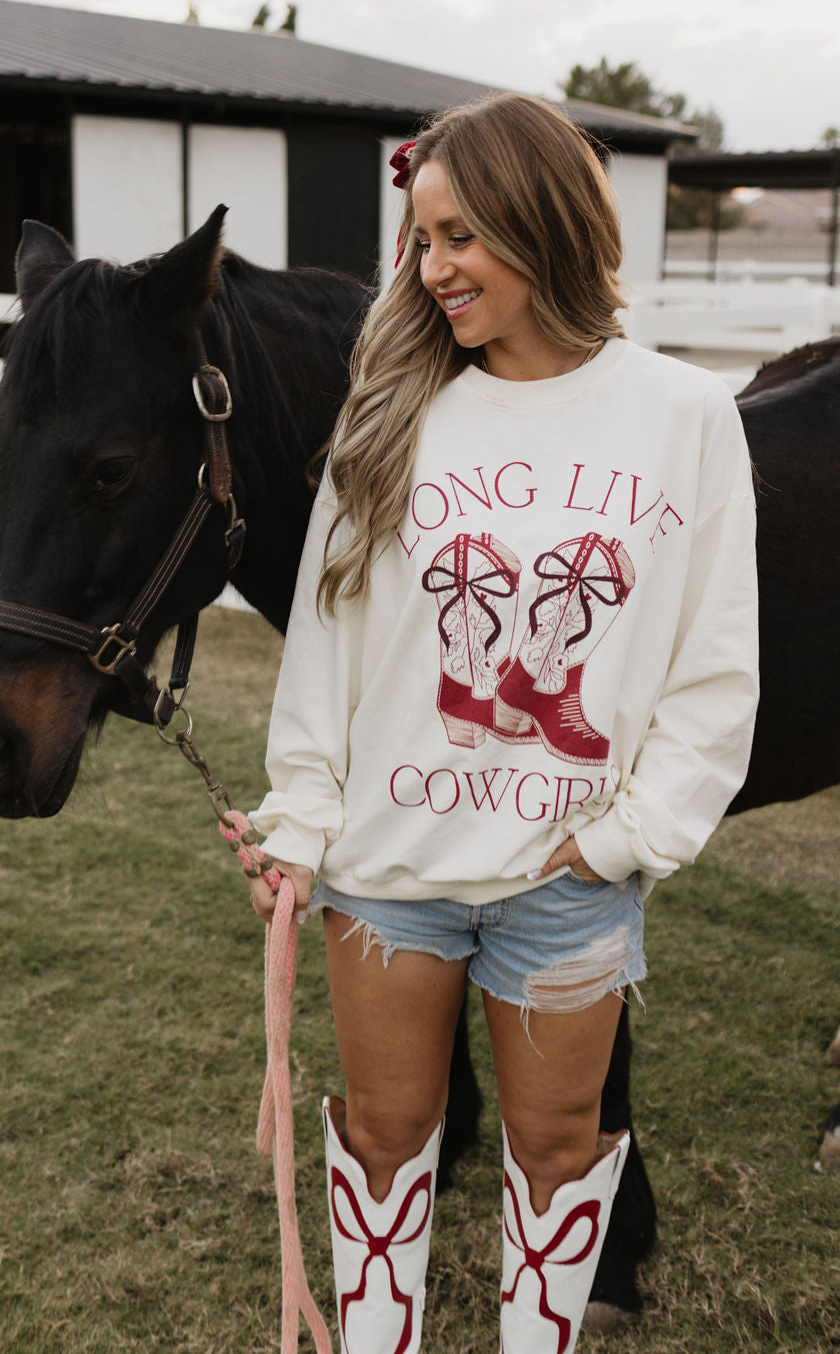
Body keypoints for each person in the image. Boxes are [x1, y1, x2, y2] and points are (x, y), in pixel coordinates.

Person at [246, 92, 759, 1354]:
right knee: (380, 1141)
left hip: (567, 880)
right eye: (422, 241)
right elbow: (330, 645)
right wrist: (301, 823)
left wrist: (628, 836)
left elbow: (714, 660)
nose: (433, 270)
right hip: (389, 874)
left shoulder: (686, 417)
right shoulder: (393, 411)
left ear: (543, 223)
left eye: (461, 236)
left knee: (552, 1151)